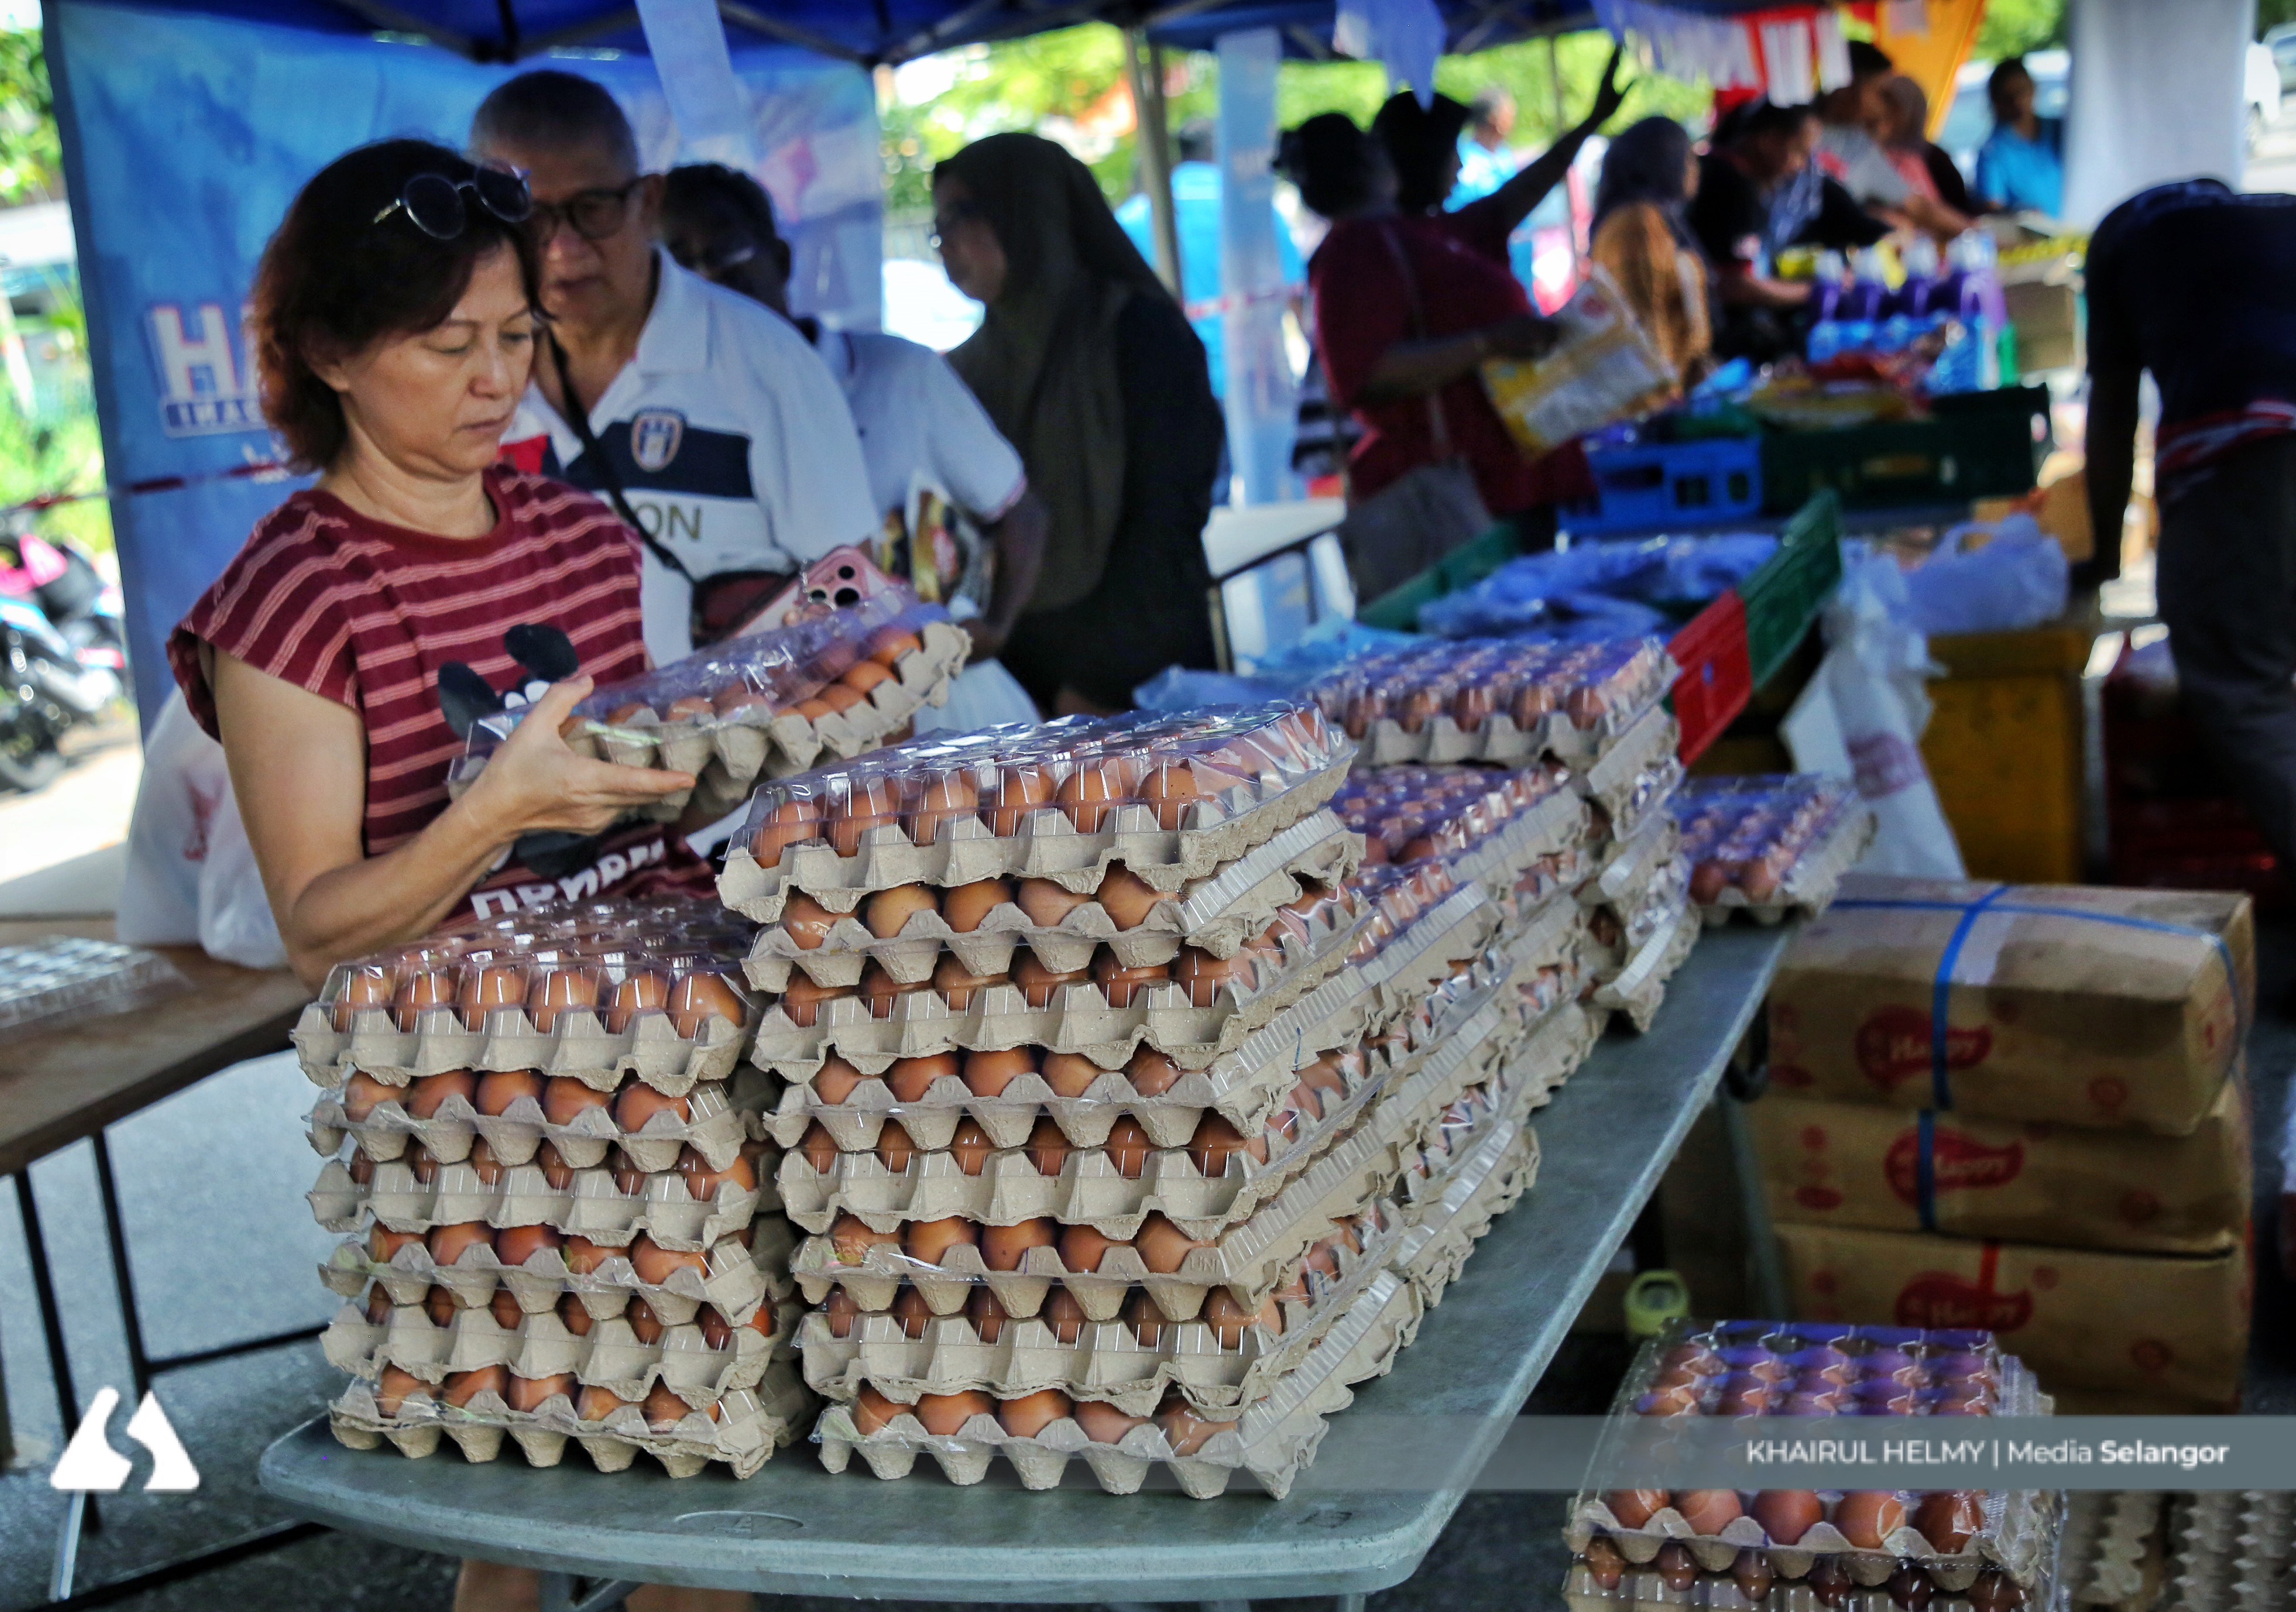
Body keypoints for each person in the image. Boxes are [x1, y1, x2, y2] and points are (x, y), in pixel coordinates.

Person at [471, 71, 878, 664]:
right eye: (530, 217)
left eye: (592, 209)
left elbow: (854, 596)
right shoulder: (466, 373)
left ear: (649, 202)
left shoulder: (765, 363)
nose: (563, 247)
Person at [658, 162, 1046, 729]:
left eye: (723, 253)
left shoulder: (897, 375)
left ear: (781, 261)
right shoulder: (678, 423)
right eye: (677, 266)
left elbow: (1021, 513)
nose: (705, 280)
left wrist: (995, 628)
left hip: (938, 703)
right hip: (780, 729)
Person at [930, 132, 1224, 715]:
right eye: (937, 227)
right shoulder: (959, 369)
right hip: (1020, 677)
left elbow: (1167, 516)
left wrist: (1098, 680)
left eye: (961, 216)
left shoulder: (1137, 332)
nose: (947, 244)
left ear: (1026, 209)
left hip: (1141, 670)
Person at [1286, 52, 1625, 557]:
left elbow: (1517, 196)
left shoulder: (1428, 235)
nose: (1463, 164)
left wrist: (1590, 124)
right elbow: (1364, 373)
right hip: (1458, 493)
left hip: (1499, 481)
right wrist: (1489, 342)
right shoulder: (1359, 251)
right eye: (1453, 151)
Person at [2085, 180, 2296, 879]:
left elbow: (2112, 414)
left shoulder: (2122, 241)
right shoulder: (2273, 216)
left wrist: (2104, 555)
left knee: (2245, 693)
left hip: (2248, 450)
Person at [1114, 118, 1306, 400]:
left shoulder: (1132, 219)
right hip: (1258, 387)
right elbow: (1298, 300)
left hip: (1174, 389)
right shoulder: (1257, 211)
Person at [1686, 101, 1863, 361]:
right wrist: (1817, 290)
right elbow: (1733, 287)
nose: (1802, 167)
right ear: (1768, 141)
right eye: (1799, 153)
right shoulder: (1733, 187)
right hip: (1713, 341)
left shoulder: (1718, 169)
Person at [1588, 116, 1711, 384]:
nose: (1695, 169)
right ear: (1668, 163)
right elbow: (1648, 327)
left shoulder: (1657, 218)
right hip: (1655, 395)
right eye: (1688, 157)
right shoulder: (1637, 224)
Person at [1814, 41, 1971, 240]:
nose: (1885, 106)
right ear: (1846, 88)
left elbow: (1918, 206)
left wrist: (1975, 235)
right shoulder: (1795, 132)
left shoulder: (1857, 144)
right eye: (1881, 93)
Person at [1876, 75, 1981, 218]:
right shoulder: (1874, 160)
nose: (1887, 119)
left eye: (1893, 110)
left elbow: (1958, 213)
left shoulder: (1936, 160)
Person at [1974, 55, 2064, 217]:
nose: (2018, 101)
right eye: (2008, 97)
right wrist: (2023, 216)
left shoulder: (2060, 129)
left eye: (2022, 91)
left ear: (2033, 89)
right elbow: (1993, 208)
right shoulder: (1992, 152)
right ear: (1996, 101)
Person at [1453, 87, 1519, 206]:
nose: (1514, 119)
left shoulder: (1503, 155)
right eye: (1510, 113)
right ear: (1494, 119)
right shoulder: (1464, 162)